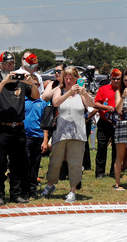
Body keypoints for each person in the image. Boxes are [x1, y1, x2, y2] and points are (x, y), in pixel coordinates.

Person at [0, 52, 38, 205]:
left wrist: (31, 84)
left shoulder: (20, 80)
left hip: (18, 128)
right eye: (7, 63)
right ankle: (0, 195)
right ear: (0, 64)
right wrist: (3, 82)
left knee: (17, 163)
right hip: (2, 129)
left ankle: (15, 194)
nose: (10, 67)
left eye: (12, 63)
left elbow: (36, 96)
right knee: (1, 163)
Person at [41, 66, 97, 203]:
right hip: (61, 133)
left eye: (71, 78)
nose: (68, 80)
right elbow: (55, 103)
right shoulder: (59, 90)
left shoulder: (81, 93)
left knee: (75, 163)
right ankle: (50, 185)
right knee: (55, 160)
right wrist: (68, 93)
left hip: (78, 134)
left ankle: (72, 190)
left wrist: (83, 93)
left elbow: (92, 104)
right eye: (66, 78)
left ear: (77, 78)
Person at [23, 75, 48, 195]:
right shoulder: (23, 101)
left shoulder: (42, 103)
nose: (34, 87)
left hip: (38, 137)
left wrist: (45, 140)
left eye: (36, 85)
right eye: (30, 85)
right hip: (25, 137)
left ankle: (32, 188)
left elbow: (45, 123)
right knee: (25, 163)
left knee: (35, 163)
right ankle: (25, 187)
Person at [93, 69, 120, 178]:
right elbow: (95, 103)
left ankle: (114, 172)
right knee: (101, 147)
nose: (116, 81)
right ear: (110, 78)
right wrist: (107, 108)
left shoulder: (124, 90)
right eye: (114, 78)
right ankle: (100, 172)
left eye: (118, 79)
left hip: (118, 122)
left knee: (116, 149)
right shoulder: (103, 89)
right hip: (104, 122)